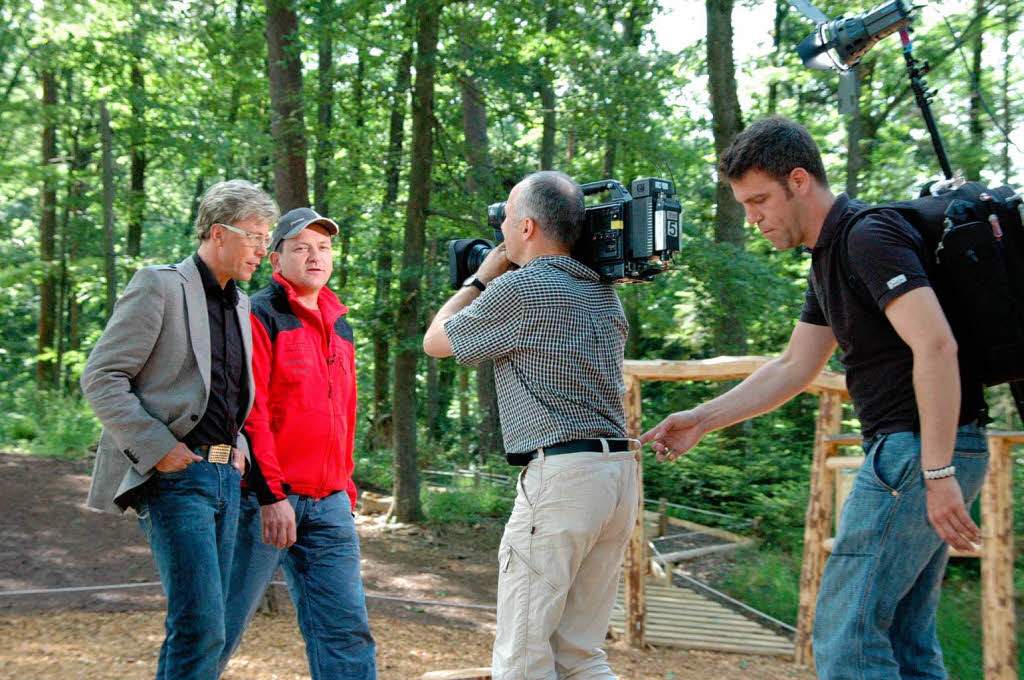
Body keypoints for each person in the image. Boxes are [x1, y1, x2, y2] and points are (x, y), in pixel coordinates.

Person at [642, 116, 989, 679]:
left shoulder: (866, 236)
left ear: (799, 181)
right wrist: (703, 418)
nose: (753, 218)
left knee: (846, 633)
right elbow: (794, 366)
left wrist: (937, 468)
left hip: (916, 452)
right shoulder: (830, 256)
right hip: (924, 452)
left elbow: (936, 345)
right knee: (903, 638)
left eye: (759, 201)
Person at [423, 170, 639, 680]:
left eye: (506, 220)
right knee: (581, 655)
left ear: (526, 227)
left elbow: (436, 341)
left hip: (563, 480)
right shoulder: (603, 292)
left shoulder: (524, 288)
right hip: (617, 477)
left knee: (522, 654)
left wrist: (480, 279)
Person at [81, 179, 277, 679]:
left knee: (210, 626)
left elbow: (229, 393)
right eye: (255, 235)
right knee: (201, 625)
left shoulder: (241, 304)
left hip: (224, 481)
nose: (263, 248)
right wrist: (158, 448)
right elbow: (101, 377)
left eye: (266, 236)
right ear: (218, 233)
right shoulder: (160, 285)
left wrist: (240, 447)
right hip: (173, 478)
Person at [218, 207, 376, 679]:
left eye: (323, 248)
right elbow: (253, 414)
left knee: (346, 631)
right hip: (262, 502)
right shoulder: (258, 315)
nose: (315, 256)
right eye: (301, 247)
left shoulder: (341, 324)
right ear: (276, 259)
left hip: (329, 504)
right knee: (219, 625)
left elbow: (342, 415)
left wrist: (345, 488)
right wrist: (272, 495)